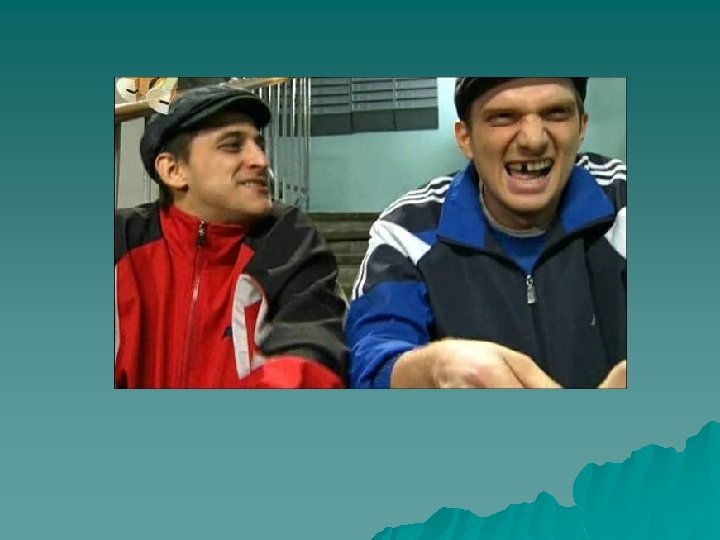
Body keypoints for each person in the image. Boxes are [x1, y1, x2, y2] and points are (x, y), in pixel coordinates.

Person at [347, 77, 626, 389]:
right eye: (503, 117)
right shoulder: (408, 231)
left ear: (582, 126)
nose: (533, 140)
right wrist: (435, 369)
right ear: (465, 137)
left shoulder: (627, 203)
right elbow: (372, 361)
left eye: (556, 113)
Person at [115, 83, 347, 388]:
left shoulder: (290, 240)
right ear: (173, 170)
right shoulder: (121, 241)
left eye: (259, 145)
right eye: (232, 145)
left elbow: (309, 356)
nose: (261, 161)